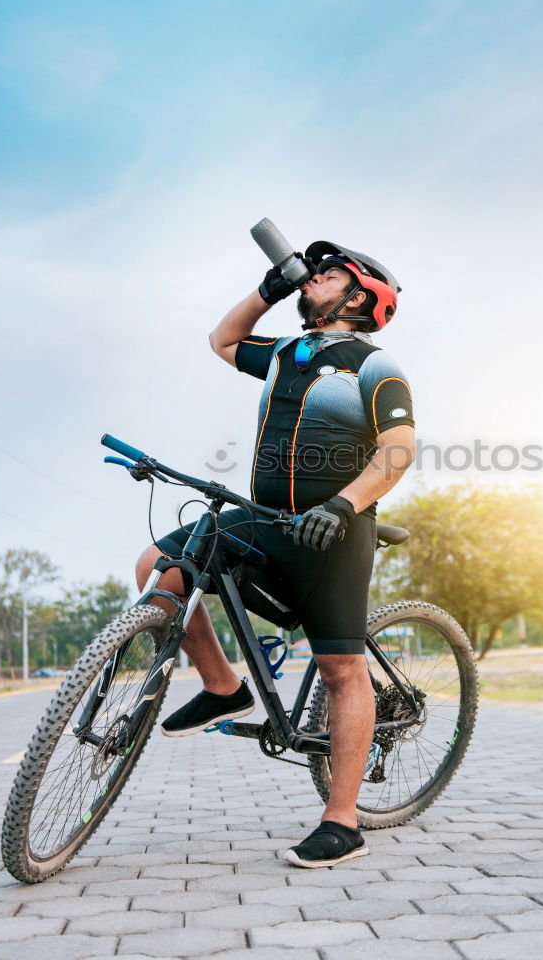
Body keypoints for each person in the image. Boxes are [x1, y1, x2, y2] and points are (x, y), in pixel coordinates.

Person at [134, 240, 415, 867]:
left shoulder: (375, 365)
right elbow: (224, 341)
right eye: (310, 274)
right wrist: (271, 288)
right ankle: (223, 684)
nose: (313, 279)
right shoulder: (288, 353)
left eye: (327, 274)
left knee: (341, 669)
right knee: (158, 567)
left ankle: (342, 821)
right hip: (265, 521)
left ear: (362, 297)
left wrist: (344, 505)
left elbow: (398, 448)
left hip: (333, 533)